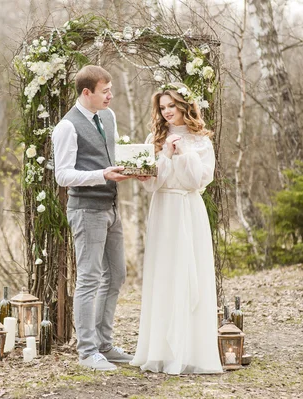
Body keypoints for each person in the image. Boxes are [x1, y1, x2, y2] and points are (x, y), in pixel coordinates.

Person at [129, 83, 223, 375]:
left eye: (172, 106)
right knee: (165, 273)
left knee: (190, 271)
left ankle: (192, 351)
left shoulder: (201, 140)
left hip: (189, 208)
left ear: (184, 106)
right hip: (163, 211)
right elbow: (152, 184)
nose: (167, 112)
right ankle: (160, 350)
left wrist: (183, 153)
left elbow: (198, 181)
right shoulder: (154, 138)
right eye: (162, 107)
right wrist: (165, 156)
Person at [52, 65, 134, 371]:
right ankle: (87, 352)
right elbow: (63, 175)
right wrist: (102, 174)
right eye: (105, 91)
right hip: (86, 211)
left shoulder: (108, 117)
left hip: (112, 207)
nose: (110, 95)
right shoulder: (66, 127)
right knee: (88, 279)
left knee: (117, 275)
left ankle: (104, 345)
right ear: (86, 93)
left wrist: (134, 168)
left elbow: (111, 157)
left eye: (111, 89)